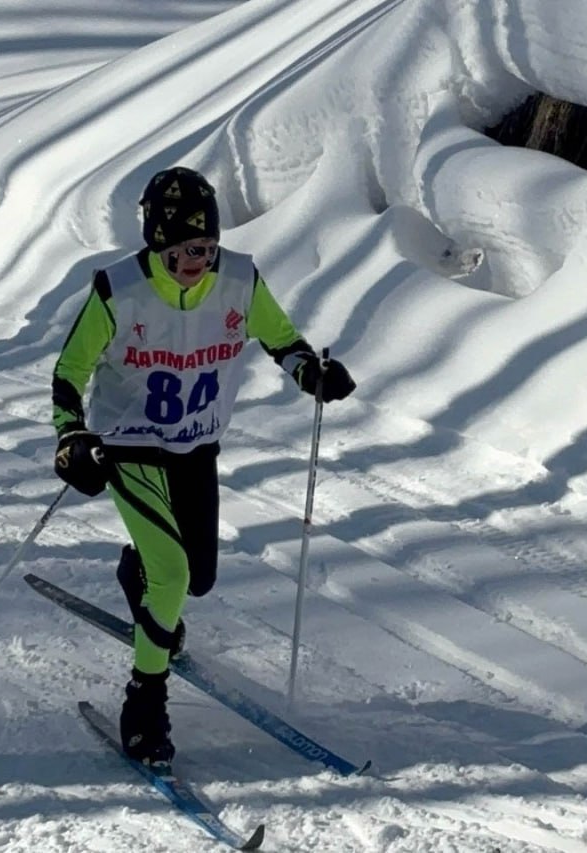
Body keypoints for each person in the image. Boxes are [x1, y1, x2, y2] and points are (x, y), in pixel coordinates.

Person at [49, 166, 356, 768]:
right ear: (157, 243)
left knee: (199, 578)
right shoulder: (118, 291)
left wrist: (311, 374)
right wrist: (71, 437)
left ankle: (137, 575)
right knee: (174, 574)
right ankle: (145, 701)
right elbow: (68, 374)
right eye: (186, 250)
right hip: (129, 446)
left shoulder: (238, 280)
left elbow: (282, 341)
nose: (199, 261)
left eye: (208, 248)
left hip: (195, 447)